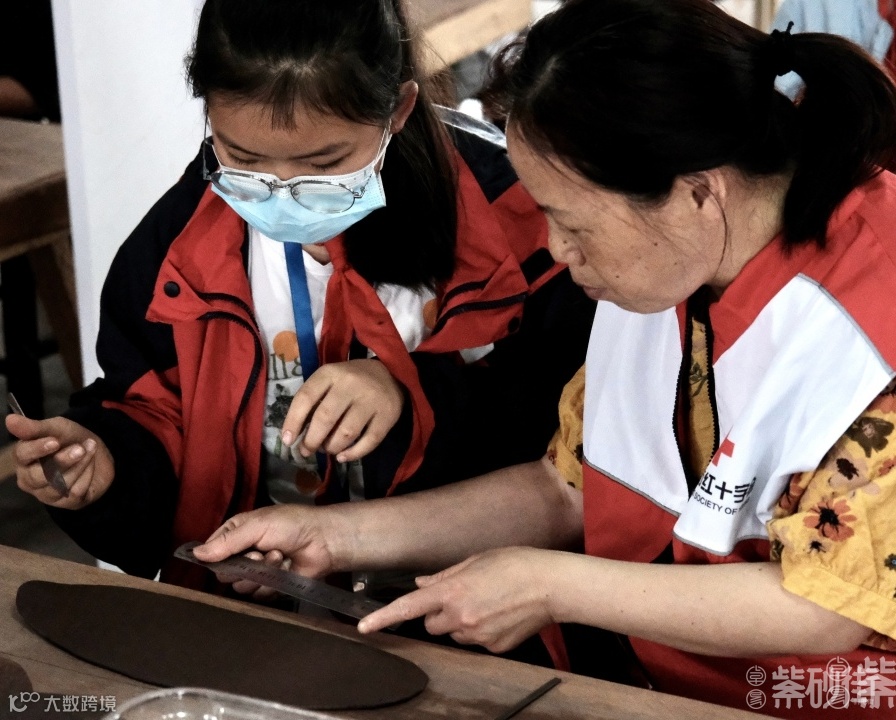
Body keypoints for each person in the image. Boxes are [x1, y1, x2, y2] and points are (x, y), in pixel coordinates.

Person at [192, 0, 896, 716]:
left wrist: (549, 586)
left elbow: (826, 604)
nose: (558, 250)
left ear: (697, 191)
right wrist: (335, 539)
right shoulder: (668, 270)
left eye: (572, 223)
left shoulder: (874, 317)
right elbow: (566, 485)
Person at [4, 0, 593, 592]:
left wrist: (408, 388)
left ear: (399, 110)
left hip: (460, 598)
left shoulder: (516, 221)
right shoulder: (178, 246)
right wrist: (106, 462)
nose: (282, 191)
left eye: (324, 163)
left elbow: (565, 435)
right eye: (244, 158)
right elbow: (153, 408)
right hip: (261, 597)